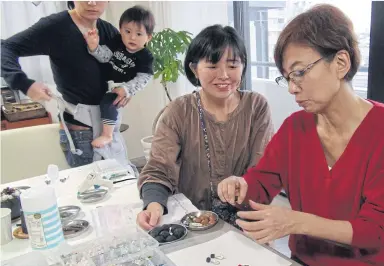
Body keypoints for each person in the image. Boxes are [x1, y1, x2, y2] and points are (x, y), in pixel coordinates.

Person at [217, 4, 384, 266]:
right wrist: (241, 185)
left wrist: (294, 222)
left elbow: (377, 230)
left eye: (299, 72)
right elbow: (262, 182)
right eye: (287, 77)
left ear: (340, 63)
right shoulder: (295, 127)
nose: (291, 88)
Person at [137, 24, 275, 231]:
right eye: (212, 66)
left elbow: (265, 168)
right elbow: (158, 167)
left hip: (247, 220)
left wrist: (243, 181)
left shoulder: (256, 107)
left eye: (233, 65)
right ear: (195, 69)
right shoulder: (178, 111)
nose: (224, 75)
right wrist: (154, 203)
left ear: (243, 66)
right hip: (193, 220)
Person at [1, 1, 131, 167]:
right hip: (81, 135)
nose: (92, 2)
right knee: (92, 191)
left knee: (122, 187)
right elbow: (5, 48)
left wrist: (127, 90)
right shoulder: (55, 27)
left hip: (109, 130)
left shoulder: (108, 31)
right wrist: (24, 83)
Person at [84, 5, 154, 148]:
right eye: (127, 31)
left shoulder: (146, 56)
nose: (132, 37)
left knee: (108, 104)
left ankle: (107, 135)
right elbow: (104, 57)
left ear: (148, 37)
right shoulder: (116, 41)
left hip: (119, 89)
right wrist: (94, 47)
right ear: (120, 29)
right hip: (103, 83)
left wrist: (126, 89)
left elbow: (144, 78)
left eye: (139, 34)